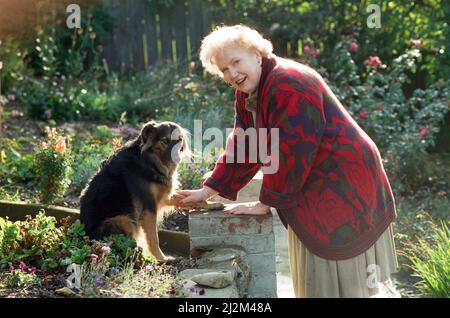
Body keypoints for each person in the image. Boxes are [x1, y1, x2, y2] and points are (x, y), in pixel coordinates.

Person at [176, 24, 399, 298]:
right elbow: (245, 143)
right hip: (317, 182)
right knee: (321, 280)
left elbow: (291, 151)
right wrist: (209, 188)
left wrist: (265, 202)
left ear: (257, 55)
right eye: (224, 69)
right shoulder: (249, 90)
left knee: (348, 284)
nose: (231, 74)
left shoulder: (289, 83)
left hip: (343, 182)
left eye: (236, 62)